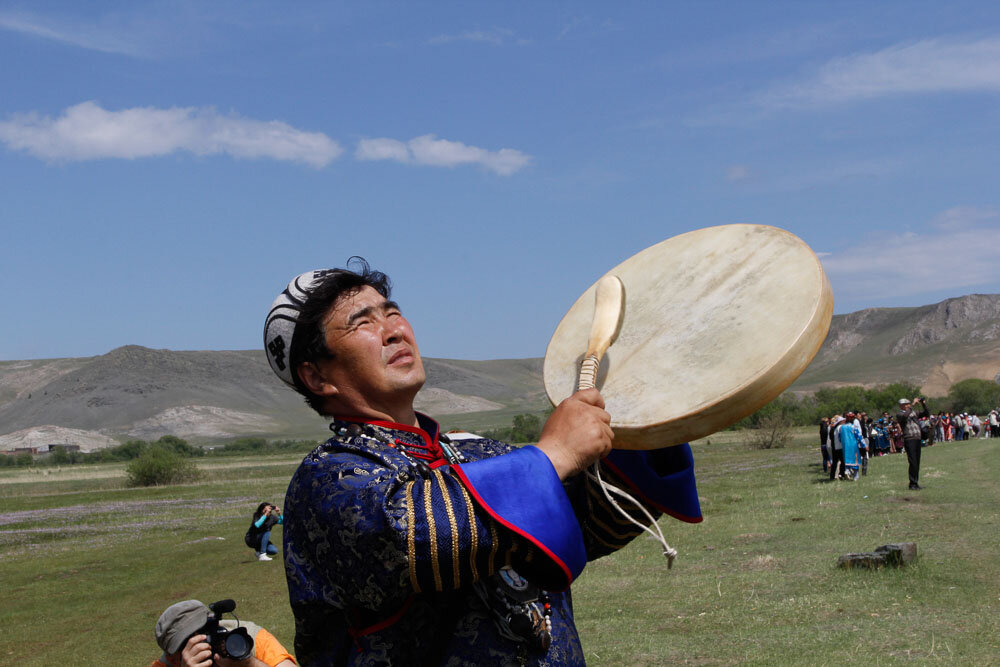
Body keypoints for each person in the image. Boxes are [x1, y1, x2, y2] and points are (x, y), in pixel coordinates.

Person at [263, 261, 701, 665]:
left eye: (392, 312)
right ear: (317, 376)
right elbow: (416, 537)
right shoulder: (327, 478)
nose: (393, 330)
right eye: (363, 322)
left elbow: (596, 523)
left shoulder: (479, 453)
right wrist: (554, 455)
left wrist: (645, 419)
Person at [151, 599, 296, 667]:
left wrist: (250, 663)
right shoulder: (165, 664)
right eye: (187, 643)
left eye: (204, 631)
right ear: (173, 659)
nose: (202, 646)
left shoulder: (248, 639)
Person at [896, 397, 929, 490]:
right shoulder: (899, 414)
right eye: (906, 404)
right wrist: (913, 405)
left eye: (909, 404)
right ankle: (912, 483)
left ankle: (915, 482)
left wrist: (923, 404)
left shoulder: (913, 412)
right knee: (912, 462)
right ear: (901, 406)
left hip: (917, 438)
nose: (908, 405)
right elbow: (905, 416)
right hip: (909, 439)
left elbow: (926, 414)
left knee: (917, 462)